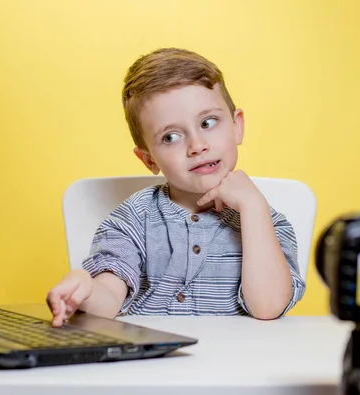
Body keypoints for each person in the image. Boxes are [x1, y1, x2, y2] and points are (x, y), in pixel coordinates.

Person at [47, 48, 306, 326]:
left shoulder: (266, 223)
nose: (197, 146)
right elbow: (110, 295)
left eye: (208, 122)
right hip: (154, 365)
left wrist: (254, 208)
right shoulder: (135, 218)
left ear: (236, 126)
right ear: (148, 159)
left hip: (236, 365)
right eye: (171, 137)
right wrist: (85, 290)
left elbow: (268, 307)